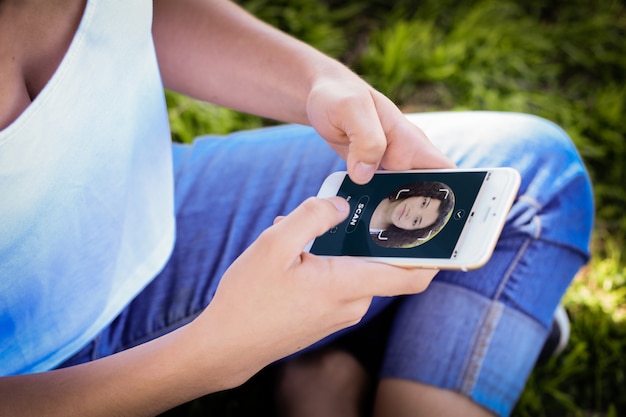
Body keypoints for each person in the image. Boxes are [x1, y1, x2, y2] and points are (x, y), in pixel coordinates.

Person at [0, 1, 593, 417]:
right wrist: (217, 351)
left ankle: (323, 373)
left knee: (534, 176)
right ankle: (332, 374)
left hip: (146, 200)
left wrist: (318, 81)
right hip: (48, 362)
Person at [369, 181, 455, 248]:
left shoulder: (371, 245)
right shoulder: (380, 181)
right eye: (424, 203)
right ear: (421, 193)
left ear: (409, 231)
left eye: (415, 221)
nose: (410, 212)